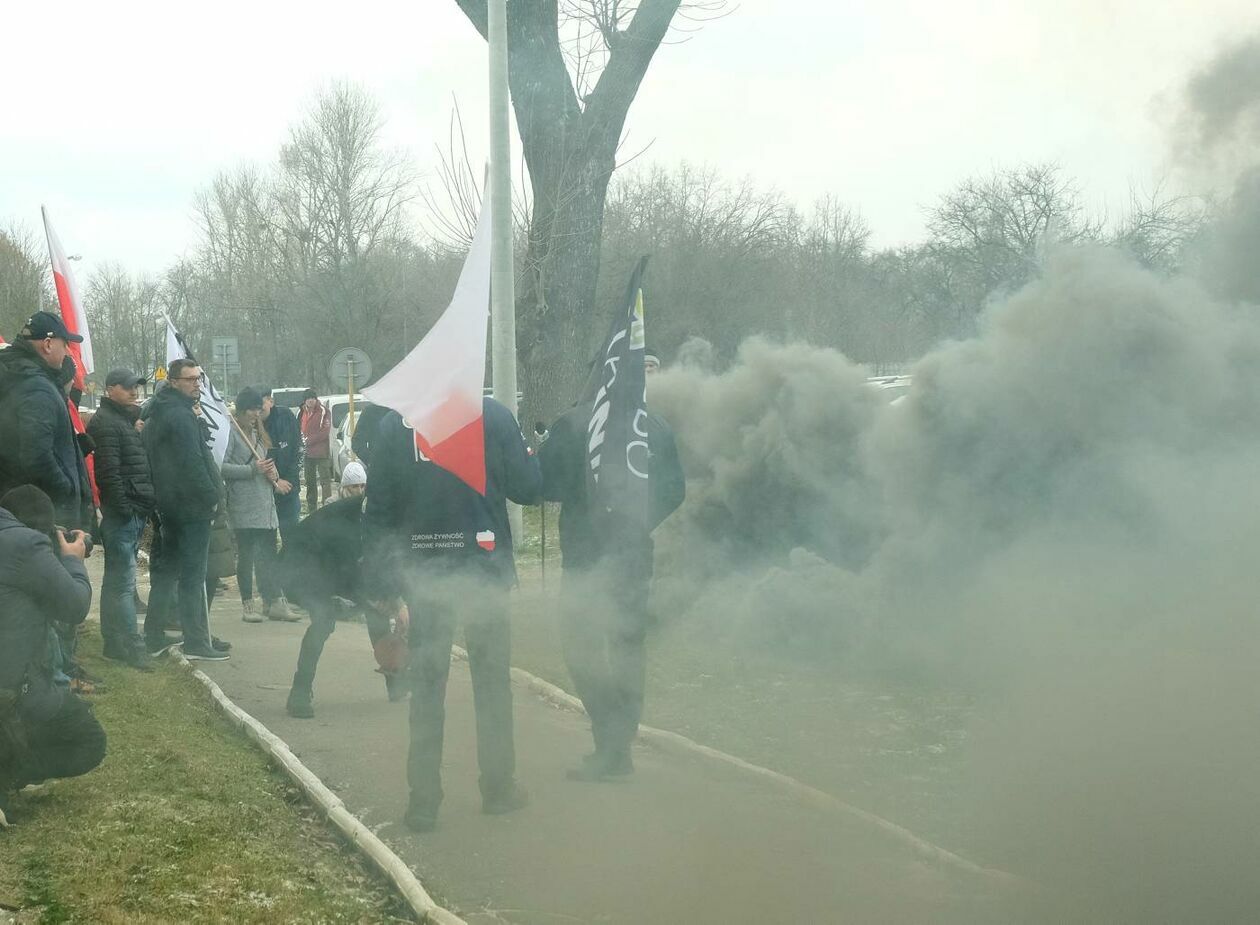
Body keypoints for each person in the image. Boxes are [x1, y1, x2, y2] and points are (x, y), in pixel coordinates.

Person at [364, 398, 541, 832]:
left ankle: (423, 803)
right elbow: (529, 488)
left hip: (425, 568)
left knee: (426, 685)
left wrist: (385, 582)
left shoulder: (396, 424)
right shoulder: (494, 416)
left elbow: (380, 509)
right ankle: (498, 789)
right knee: (492, 682)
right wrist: (537, 454)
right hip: (484, 565)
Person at [538, 354, 686, 780]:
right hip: (636, 556)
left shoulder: (572, 424)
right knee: (627, 649)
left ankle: (612, 742)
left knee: (580, 647)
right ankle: (619, 744)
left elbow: (543, 485)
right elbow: (675, 489)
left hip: (585, 558)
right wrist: (640, 520)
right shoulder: (653, 425)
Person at [0, 485, 105, 823]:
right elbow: (74, 605)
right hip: (10, 693)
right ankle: (7, 775)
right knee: (88, 740)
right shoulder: (26, 545)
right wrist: (73, 561)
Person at [284, 460, 405, 719]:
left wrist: (393, 599)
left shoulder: (375, 516)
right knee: (324, 619)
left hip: (334, 568)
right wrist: (380, 599)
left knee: (378, 617)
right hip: (303, 569)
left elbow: (381, 562)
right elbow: (348, 573)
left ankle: (395, 681)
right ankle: (299, 692)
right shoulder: (348, 521)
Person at [142, 359, 229, 661]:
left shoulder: (162, 411)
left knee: (168, 573)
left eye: (199, 379)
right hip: (190, 506)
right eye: (191, 380)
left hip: (171, 503)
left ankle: (154, 636)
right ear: (174, 382)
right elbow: (192, 462)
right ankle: (196, 642)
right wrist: (211, 496)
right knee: (193, 577)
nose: (197, 385)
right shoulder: (179, 416)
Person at [88, 368, 156, 671]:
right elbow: (109, 473)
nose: (134, 392)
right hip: (124, 513)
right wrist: (125, 508)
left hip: (133, 508)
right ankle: (131, 645)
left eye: (136, 387)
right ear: (109, 389)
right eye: (127, 387)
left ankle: (114, 644)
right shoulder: (106, 423)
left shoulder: (122, 420)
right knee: (123, 584)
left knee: (116, 582)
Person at [0, 312, 92, 530]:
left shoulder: (14, 375)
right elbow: (36, 456)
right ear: (48, 344)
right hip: (47, 517)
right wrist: (68, 488)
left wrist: (73, 448)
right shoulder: (36, 386)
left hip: (16, 510)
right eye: (66, 344)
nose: (67, 351)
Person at [222, 388, 297, 624]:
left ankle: (274, 601)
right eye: (251, 409)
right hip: (244, 504)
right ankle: (248, 605)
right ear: (241, 410)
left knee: (268, 556)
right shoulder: (231, 434)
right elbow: (222, 468)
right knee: (246, 556)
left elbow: (264, 464)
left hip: (265, 504)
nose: (256, 413)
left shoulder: (257, 434)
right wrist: (252, 470)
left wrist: (275, 478)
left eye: (257, 409)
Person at [260, 387, 302, 549]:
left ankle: (290, 572)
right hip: (265, 492)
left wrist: (287, 482)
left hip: (289, 489)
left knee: (291, 539)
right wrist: (275, 483)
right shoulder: (252, 424)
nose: (258, 410)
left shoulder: (286, 417)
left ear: (270, 401)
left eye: (261, 404)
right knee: (266, 544)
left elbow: (297, 451)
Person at [298, 389, 332, 510]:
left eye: (313, 398)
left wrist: (309, 440)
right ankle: (312, 508)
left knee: (325, 480)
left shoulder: (324, 411)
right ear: (305, 400)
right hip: (307, 454)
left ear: (316, 399)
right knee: (310, 481)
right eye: (308, 398)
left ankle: (327, 506)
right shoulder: (301, 412)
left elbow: (325, 432)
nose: (311, 400)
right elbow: (298, 428)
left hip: (321, 452)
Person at [350, 402, 389, 469]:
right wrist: (371, 460)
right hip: (379, 469)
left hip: (406, 470)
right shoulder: (371, 412)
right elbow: (357, 441)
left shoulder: (406, 411)